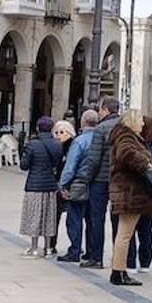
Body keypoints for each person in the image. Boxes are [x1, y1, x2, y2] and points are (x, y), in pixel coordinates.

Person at [107, 109, 152, 286]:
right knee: (125, 234)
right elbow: (126, 154)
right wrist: (146, 165)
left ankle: (118, 271)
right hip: (130, 192)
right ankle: (118, 272)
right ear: (132, 122)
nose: (143, 124)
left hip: (128, 191)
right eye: (140, 121)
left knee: (124, 234)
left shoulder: (125, 136)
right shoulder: (126, 137)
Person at [72, 96, 121, 269]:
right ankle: (120, 259)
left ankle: (96, 256)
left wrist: (85, 178)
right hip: (118, 179)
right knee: (118, 220)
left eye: (100, 109)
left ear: (106, 110)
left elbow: (93, 158)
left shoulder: (100, 129)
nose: (99, 113)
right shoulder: (124, 126)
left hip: (100, 179)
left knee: (96, 219)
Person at [123, 116, 152, 273]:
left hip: (138, 192)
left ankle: (131, 263)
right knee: (146, 228)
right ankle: (145, 261)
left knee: (131, 229)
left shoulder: (139, 147)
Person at [18, 116, 63, 257]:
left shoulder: (33, 144)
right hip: (50, 184)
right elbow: (58, 163)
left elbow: (24, 165)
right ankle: (48, 248)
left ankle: (34, 247)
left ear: (38, 128)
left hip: (34, 185)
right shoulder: (57, 144)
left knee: (34, 216)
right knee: (49, 217)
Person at [57, 109, 98, 263]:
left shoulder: (80, 141)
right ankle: (91, 250)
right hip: (97, 184)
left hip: (79, 183)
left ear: (83, 122)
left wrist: (63, 184)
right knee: (91, 220)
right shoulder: (101, 139)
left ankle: (75, 250)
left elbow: (70, 165)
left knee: (74, 218)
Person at [49, 118, 77, 254]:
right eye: (56, 132)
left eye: (62, 132)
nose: (58, 135)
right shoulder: (55, 148)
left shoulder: (72, 147)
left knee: (73, 219)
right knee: (54, 217)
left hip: (69, 187)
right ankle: (51, 245)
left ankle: (75, 248)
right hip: (57, 186)